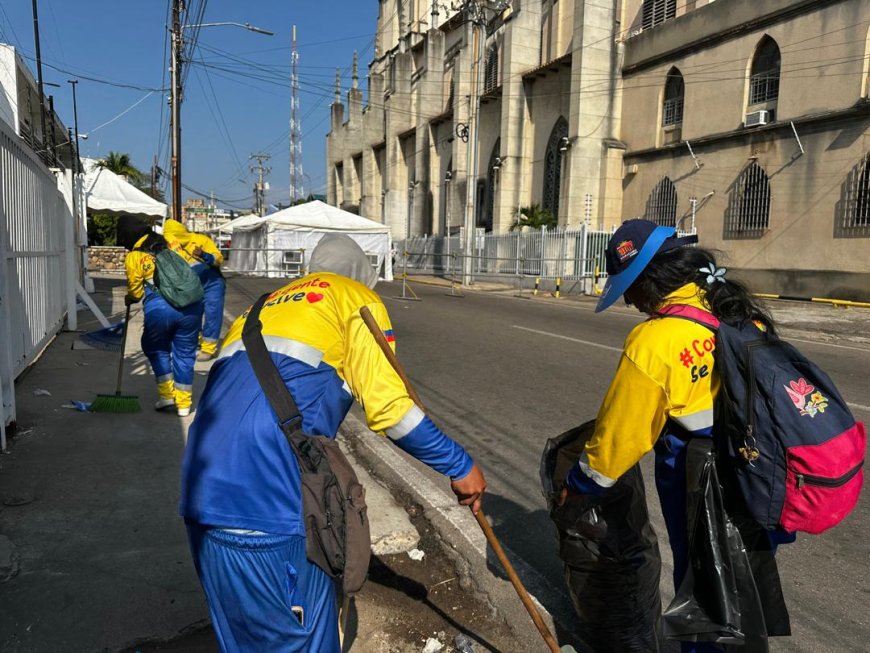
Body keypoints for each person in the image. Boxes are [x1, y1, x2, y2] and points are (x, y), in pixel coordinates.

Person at [180, 233, 487, 652]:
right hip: (271, 500)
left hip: (200, 496)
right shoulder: (354, 298)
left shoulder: (259, 308)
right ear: (364, 275)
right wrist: (459, 465)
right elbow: (391, 411)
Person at [561, 219, 792, 652]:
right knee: (746, 580)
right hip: (764, 474)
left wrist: (577, 487)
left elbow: (618, 438)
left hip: (704, 481)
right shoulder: (737, 311)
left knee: (705, 589)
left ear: (652, 281)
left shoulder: (656, 339)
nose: (630, 301)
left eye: (630, 286)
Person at [118, 216, 204, 417]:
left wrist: (130, 298)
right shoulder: (171, 243)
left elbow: (136, 293)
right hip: (192, 306)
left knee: (155, 348)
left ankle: (167, 396)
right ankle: (184, 405)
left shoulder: (135, 256)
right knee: (185, 353)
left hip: (160, 309)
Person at [163, 220, 227, 360]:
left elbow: (219, 259)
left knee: (212, 315)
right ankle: (195, 343)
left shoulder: (201, 240)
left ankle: (208, 349)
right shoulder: (171, 248)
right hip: (192, 287)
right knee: (192, 316)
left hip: (213, 284)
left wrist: (204, 255)